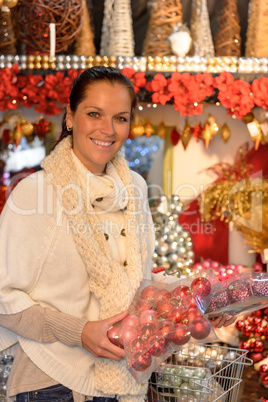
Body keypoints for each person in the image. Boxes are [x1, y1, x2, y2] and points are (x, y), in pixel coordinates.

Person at [0, 66, 235, 402]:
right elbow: (3, 298)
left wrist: (202, 299)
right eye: (94, 114)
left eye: (120, 118)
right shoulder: (36, 193)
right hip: (52, 383)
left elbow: (138, 283)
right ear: (70, 117)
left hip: (125, 378)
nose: (107, 130)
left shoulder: (135, 188)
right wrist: (79, 333)